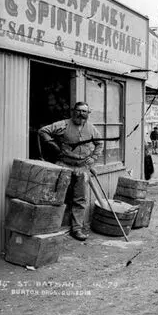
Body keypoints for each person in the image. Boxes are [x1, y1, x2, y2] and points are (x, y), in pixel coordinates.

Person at [38, 102, 103, 241]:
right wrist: (52, 145)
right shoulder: (64, 125)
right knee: (57, 196)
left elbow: (100, 143)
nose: (81, 114)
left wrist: (93, 158)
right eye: (79, 111)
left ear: (88, 114)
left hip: (82, 168)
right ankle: (50, 227)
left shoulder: (91, 129)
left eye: (85, 112)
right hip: (64, 165)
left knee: (79, 199)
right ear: (73, 111)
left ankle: (76, 229)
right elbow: (43, 131)